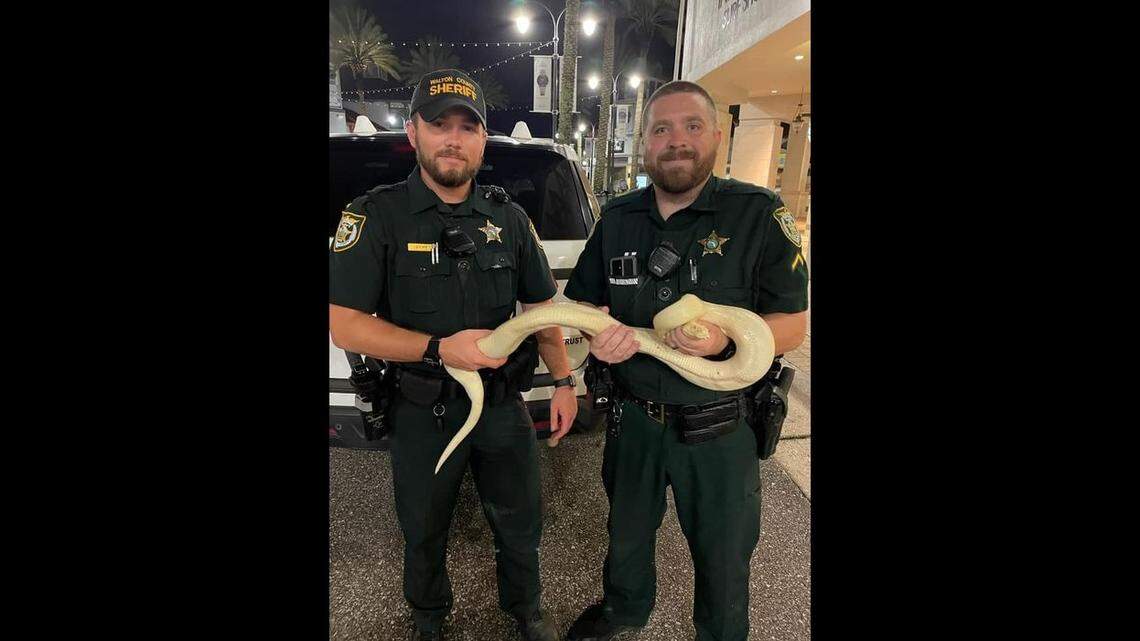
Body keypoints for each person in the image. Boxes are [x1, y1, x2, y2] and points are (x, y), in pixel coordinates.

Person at [329, 68, 575, 641]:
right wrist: (439, 348)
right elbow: (344, 325)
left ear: (483, 140)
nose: (453, 139)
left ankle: (526, 609)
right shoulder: (377, 216)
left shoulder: (509, 219)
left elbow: (541, 310)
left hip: (502, 405)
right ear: (414, 132)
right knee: (423, 527)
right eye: (440, 125)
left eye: (468, 127)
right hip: (422, 409)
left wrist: (564, 382)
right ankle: (428, 619)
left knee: (521, 521)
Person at [562, 80, 809, 641]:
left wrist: (725, 340)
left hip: (719, 430)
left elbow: (793, 324)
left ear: (717, 137)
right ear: (645, 144)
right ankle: (624, 610)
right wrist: (595, 337)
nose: (677, 141)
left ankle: (721, 631)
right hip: (633, 421)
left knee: (724, 551)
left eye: (692, 126)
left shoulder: (757, 213)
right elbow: (585, 305)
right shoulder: (617, 218)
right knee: (626, 535)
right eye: (661, 129)